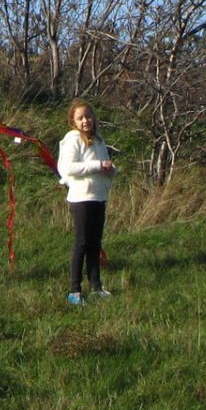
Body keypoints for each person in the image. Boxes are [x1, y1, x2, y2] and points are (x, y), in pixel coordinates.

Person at [58, 100, 117, 305]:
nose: (85, 121)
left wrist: (111, 170)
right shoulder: (72, 139)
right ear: (73, 121)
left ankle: (96, 287)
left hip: (99, 197)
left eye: (88, 116)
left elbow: (106, 168)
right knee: (81, 243)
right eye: (80, 117)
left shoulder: (99, 139)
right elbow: (67, 169)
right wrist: (98, 165)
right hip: (81, 199)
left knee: (95, 244)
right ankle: (74, 291)